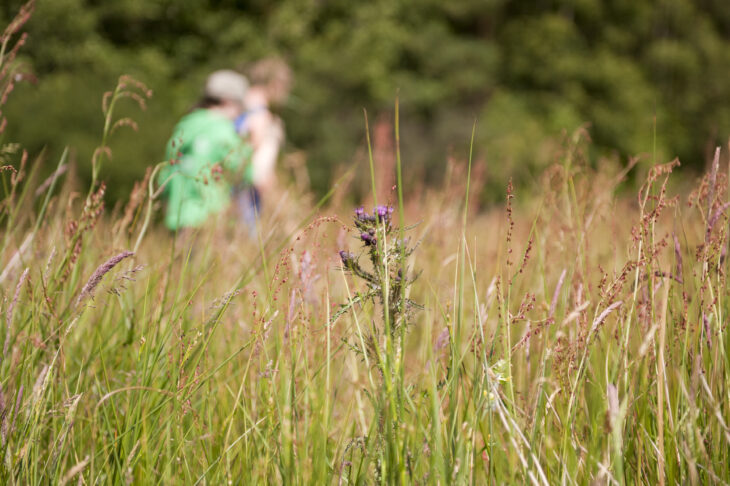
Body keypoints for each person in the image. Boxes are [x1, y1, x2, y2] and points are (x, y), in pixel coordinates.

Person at [158, 70, 253, 232]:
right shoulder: (223, 131)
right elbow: (245, 172)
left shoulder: (185, 126)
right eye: (239, 108)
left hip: (177, 217)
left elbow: (164, 174)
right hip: (209, 219)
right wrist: (253, 143)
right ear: (227, 101)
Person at [233, 58, 292, 230]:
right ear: (276, 83)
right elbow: (255, 146)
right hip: (251, 183)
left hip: (241, 180)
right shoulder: (259, 110)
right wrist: (262, 177)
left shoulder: (245, 102)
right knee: (248, 234)